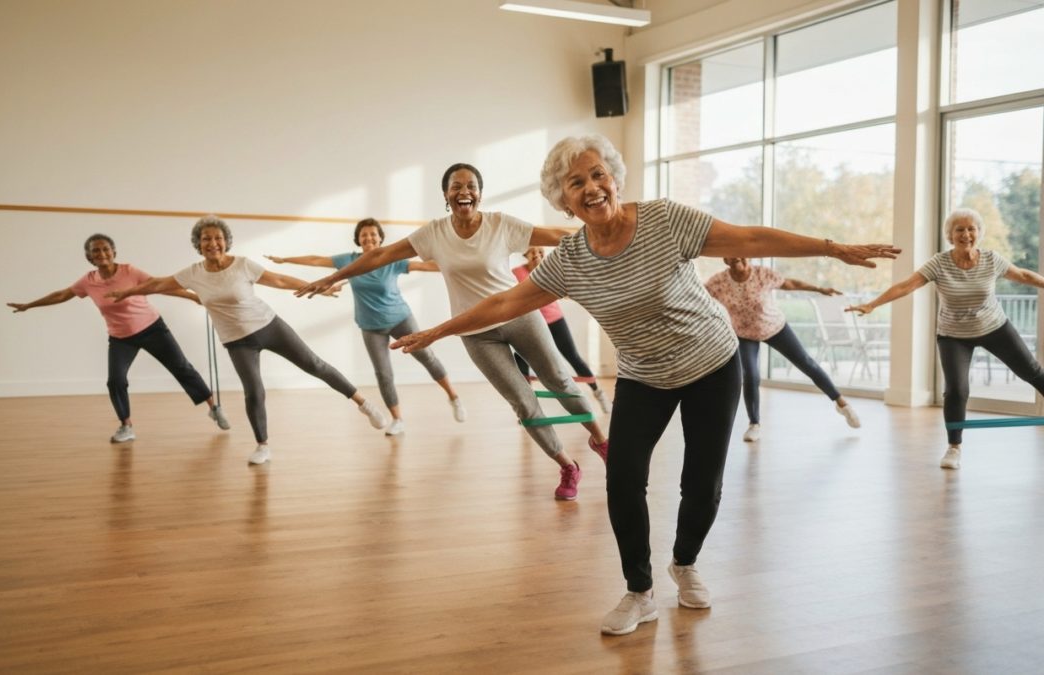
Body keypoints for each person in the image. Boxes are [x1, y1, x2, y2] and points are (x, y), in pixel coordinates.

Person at [389, 135, 897, 635]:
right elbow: (504, 303)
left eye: (597, 175)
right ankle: (640, 591)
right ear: (563, 200)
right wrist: (440, 329)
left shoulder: (664, 219)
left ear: (613, 178)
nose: (591, 188)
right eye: (575, 183)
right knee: (623, 478)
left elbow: (748, 238)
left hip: (712, 365)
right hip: (643, 374)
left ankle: (685, 562)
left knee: (702, 484)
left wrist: (832, 248)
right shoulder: (570, 259)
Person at [295, 163, 610, 501]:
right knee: (522, 401)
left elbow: (554, 236)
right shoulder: (434, 233)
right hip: (475, 331)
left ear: (479, 192)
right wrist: (334, 276)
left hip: (519, 315)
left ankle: (602, 443)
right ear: (446, 195)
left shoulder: (501, 224)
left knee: (558, 380)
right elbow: (383, 254)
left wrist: (608, 234)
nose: (464, 191)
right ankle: (566, 466)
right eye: (456, 186)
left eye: (471, 185)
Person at [106, 215, 388, 465]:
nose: (212, 243)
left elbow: (277, 280)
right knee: (254, 391)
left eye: (217, 238)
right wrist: (126, 293)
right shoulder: (192, 274)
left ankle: (364, 404)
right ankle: (262, 445)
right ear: (198, 243)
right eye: (206, 239)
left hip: (269, 325)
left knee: (314, 364)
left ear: (226, 241)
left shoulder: (242, 265)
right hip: (237, 341)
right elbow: (156, 284)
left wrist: (318, 287)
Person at [847, 208, 1044, 470]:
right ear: (950, 235)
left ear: (979, 233)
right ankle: (954, 448)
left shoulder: (991, 259)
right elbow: (907, 285)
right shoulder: (939, 263)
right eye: (959, 229)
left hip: (995, 327)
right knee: (956, 390)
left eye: (971, 228)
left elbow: (1023, 276)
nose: (966, 234)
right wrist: (873, 304)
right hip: (954, 335)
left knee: (1031, 370)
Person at [7, 233, 229, 443]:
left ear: (113, 252)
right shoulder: (88, 281)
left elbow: (159, 286)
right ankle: (126, 426)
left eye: (105, 249)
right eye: (96, 251)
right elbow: (62, 295)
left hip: (152, 328)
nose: (101, 253)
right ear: (90, 257)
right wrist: (29, 305)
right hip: (121, 338)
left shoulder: (129, 271)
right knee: (115, 380)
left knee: (182, 368)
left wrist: (193, 298)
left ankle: (213, 408)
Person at [265, 217, 465, 436]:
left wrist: (461, 263)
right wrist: (284, 260)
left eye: (373, 234)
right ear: (358, 240)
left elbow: (424, 265)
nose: (368, 238)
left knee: (427, 356)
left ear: (380, 238)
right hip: (371, 326)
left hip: (401, 319)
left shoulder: (392, 260)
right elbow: (316, 260)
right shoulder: (349, 261)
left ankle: (454, 397)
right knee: (383, 374)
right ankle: (397, 419)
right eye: (364, 235)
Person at [704, 257, 861, 442]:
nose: (738, 257)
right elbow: (698, 296)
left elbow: (790, 283)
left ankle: (841, 403)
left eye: (742, 253)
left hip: (774, 327)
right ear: (725, 259)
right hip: (744, 333)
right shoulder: (718, 282)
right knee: (751, 376)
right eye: (732, 255)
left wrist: (819, 289)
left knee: (806, 362)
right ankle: (754, 424)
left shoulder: (762, 274)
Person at [512, 246, 612, 414]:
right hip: (531, 323)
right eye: (532, 252)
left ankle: (598, 393)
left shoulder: (549, 269)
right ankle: (529, 406)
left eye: (540, 252)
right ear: (526, 255)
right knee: (520, 358)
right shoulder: (515, 272)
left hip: (554, 320)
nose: (537, 255)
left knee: (572, 357)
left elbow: (565, 289)